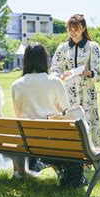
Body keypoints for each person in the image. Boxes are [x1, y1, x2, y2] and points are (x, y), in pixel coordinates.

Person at [11, 43, 85, 187]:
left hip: (29, 139)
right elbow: (66, 110)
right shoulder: (55, 82)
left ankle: (20, 172)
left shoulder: (16, 85)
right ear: (44, 60)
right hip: (54, 139)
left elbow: (18, 115)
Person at [50, 14, 100, 148]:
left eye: (76, 28)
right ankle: (72, 152)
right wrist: (58, 76)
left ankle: (91, 155)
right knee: (70, 122)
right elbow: (55, 68)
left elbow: (98, 74)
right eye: (70, 28)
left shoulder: (93, 47)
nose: (73, 31)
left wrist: (89, 73)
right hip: (68, 93)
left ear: (84, 28)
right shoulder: (63, 47)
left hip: (87, 93)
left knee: (88, 123)